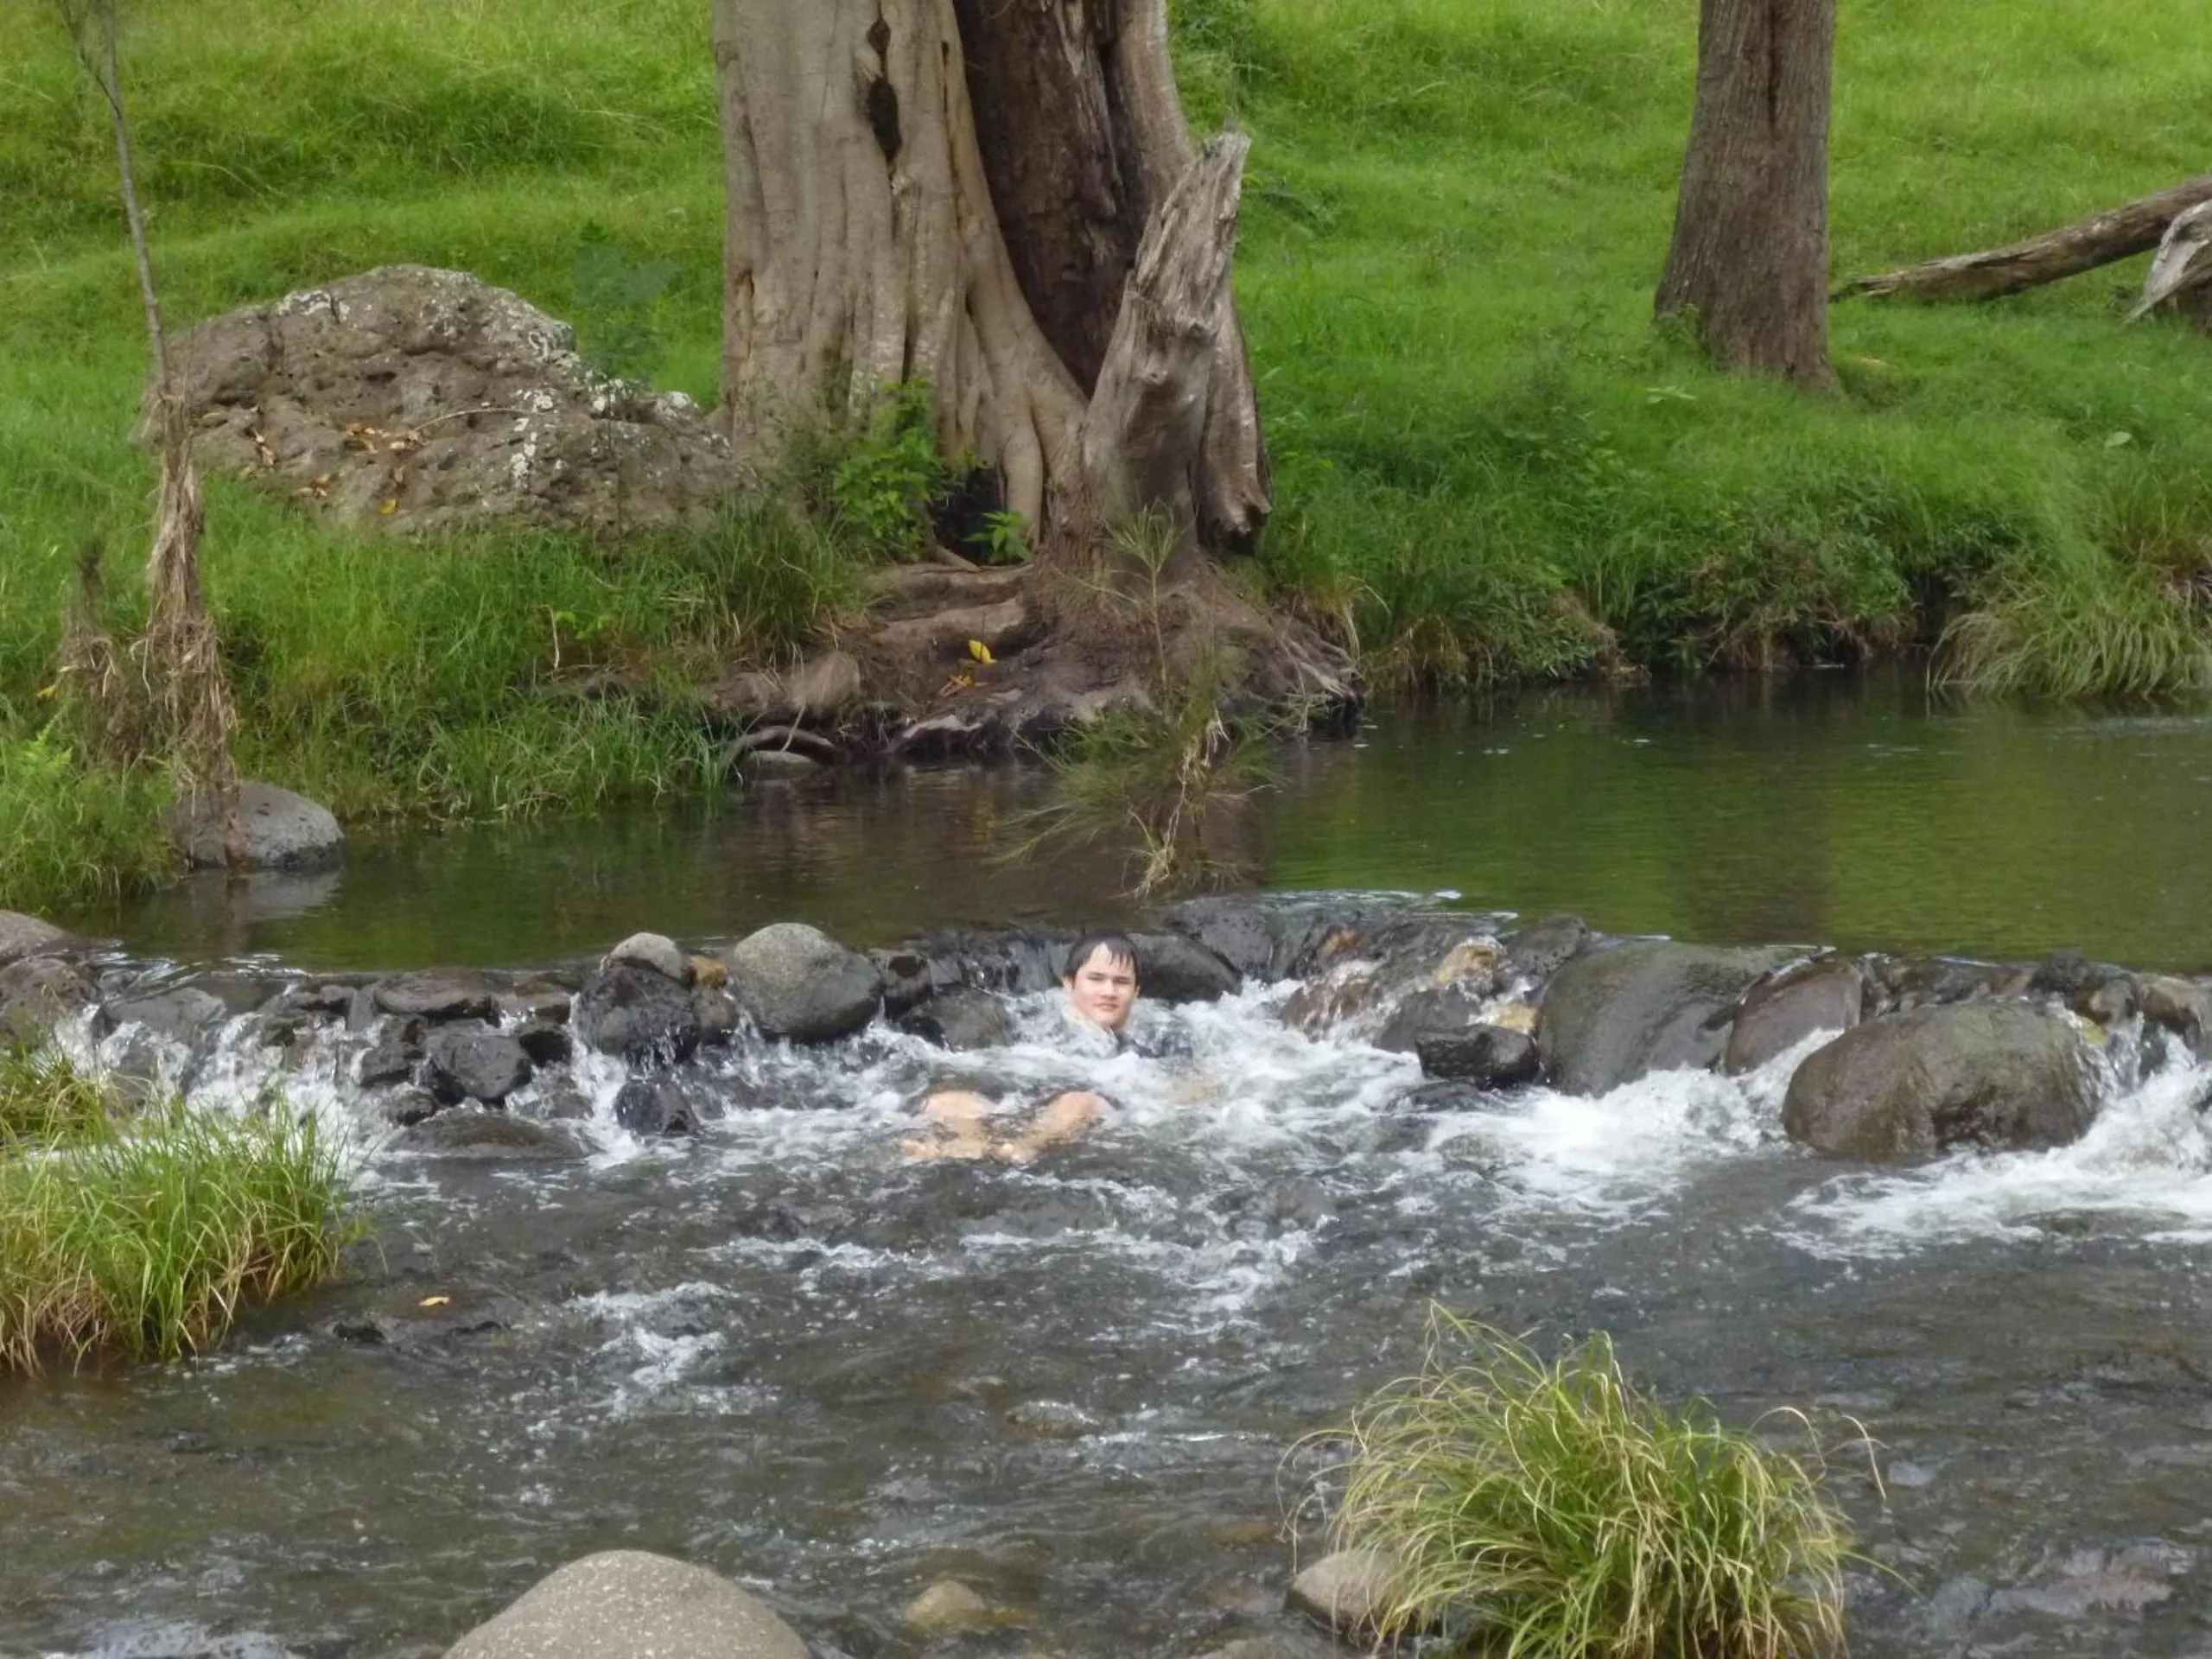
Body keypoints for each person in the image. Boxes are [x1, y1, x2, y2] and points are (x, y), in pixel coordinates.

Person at [899, 931, 1140, 1164]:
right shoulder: (1033, 1020)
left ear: (1136, 991)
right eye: (1096, 979)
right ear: (1069, 983)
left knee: (1078, 1103)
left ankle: (1026, 1145)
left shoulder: (1149, 1041)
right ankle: (968, 1145)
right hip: (1011, 1097)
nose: (1109, 992)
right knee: (949, 1100)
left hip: (1069, 1109)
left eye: (1121, 982)